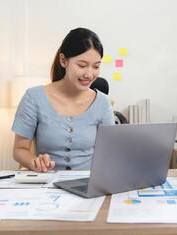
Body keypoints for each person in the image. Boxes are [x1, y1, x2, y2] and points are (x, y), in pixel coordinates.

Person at [12, 28, 115, 172]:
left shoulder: (103, 103)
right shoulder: (33, 98)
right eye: (82, 65)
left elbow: (110, 153)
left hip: (88, 186)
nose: (89, 74)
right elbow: (19, 149)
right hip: (46, 186)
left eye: (96, 66)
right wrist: (34, 162)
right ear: (63, 60)